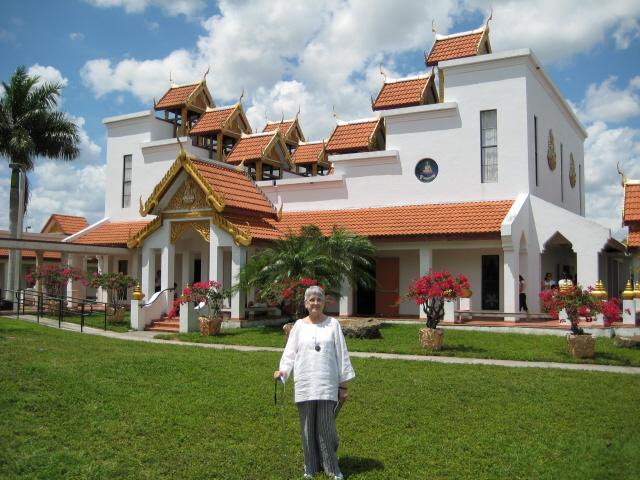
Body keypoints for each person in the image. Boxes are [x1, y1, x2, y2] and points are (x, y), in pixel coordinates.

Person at [273, 286, 355, 480]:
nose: (315, 303)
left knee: (327, 429)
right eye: (311, 300)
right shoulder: (299, 326)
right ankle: (310, 467)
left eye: (319, 299)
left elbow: (341, 356)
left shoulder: (333, 324)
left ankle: (332, 468)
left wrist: (342, 386)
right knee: (308, 429)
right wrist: (283, 371)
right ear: (305, 303)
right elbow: (290, 354)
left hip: (327, 383)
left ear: (324, 302)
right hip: (305, 383)